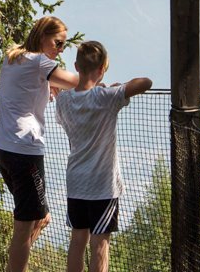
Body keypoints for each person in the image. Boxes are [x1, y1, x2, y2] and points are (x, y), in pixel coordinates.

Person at [54, 41, 152, 272]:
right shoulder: (106, 97)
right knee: (100, 244)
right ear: (102, 69)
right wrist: (117, 88)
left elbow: (68, 103)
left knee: (77, 241)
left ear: (76, 66)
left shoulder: (64, 100)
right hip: (102, 186)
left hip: (76, 181)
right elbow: (146, 82)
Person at [0, 16, 79, 272]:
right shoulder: (40, 62)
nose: (60, 49)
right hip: (24, 151)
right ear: (43, 36)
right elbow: (76, 82)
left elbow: (28, 87)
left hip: (4, 148)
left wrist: (47, 84)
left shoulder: (13, 58)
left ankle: (13, 265)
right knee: (27, 224)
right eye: (58, 42)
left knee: (40, 218)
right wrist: (102, 83)